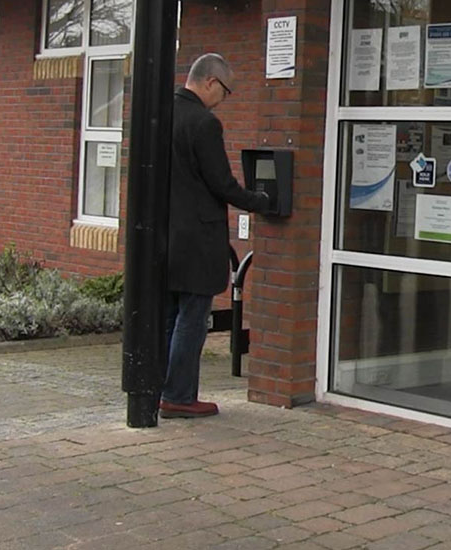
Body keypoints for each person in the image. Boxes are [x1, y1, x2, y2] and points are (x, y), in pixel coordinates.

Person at [160, 53, 270, 419]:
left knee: (172, 318)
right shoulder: (204, 123)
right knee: (192, 319)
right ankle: (179, 395)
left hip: (166, 237)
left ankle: (163, 388)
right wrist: (259, 201)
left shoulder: (162, 114)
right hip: (197, 239)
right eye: (225, 91)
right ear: (210, 82)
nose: (224, 99)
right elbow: (221, 182)